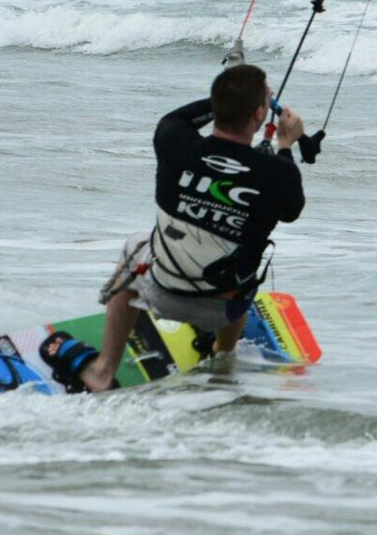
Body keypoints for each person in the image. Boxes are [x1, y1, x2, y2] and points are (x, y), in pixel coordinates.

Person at [41, 64, 305, 393]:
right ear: (259, 114)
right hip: (223, 309)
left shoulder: (173, 141)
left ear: (216, 106)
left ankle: (103, 371)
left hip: (162, 292)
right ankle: (223, 352)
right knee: (242, 266)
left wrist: (229, 97)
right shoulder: (277, 174)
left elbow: (180, 116)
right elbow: (292, 211)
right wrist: (284, 144)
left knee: (136, 244)